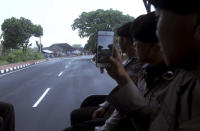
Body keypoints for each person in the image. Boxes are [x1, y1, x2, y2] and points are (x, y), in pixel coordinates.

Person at [104, 11, 200, 131]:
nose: (158, 33)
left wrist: (122, 78)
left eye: (160, 16)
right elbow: (151, 124)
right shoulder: (179, 80)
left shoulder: (181, 82)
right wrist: (121, 77)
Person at [63, 22, 143, 131]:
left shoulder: (141, 66)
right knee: (89, 101)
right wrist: (105, 105)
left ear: (124, 40)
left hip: (120, 114)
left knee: (75, 117)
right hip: (116, 107)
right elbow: (121, 86)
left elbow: (126, 104)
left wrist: (102, 126)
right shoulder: (128, 61)